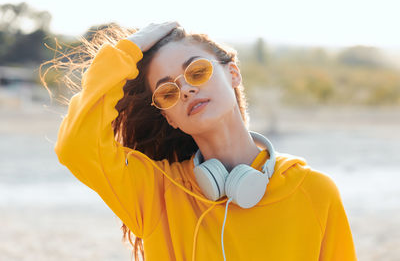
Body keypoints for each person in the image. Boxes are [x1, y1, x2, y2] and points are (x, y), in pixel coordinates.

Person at [45, 21, 357, 260]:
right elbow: (76, 144)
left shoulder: (314, 192)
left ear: (233, 73)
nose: (185, 90)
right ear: (169, 117)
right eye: (167, 92)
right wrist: (129, 49)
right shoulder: (158, 193)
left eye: (197, 71)